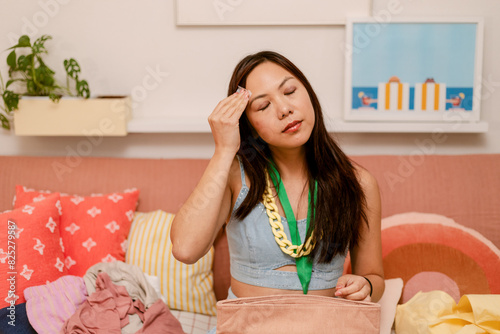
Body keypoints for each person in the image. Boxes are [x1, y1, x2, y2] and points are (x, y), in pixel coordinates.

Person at [170, 51, 384, 318]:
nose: (284, 110)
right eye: (263, 106)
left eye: (290, 91)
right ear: (249, 125)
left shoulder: (359, 183)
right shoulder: (235, 175)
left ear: (308, 92)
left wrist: (366, 285)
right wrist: (224, 150)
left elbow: (374, 276)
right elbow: (185, 249)